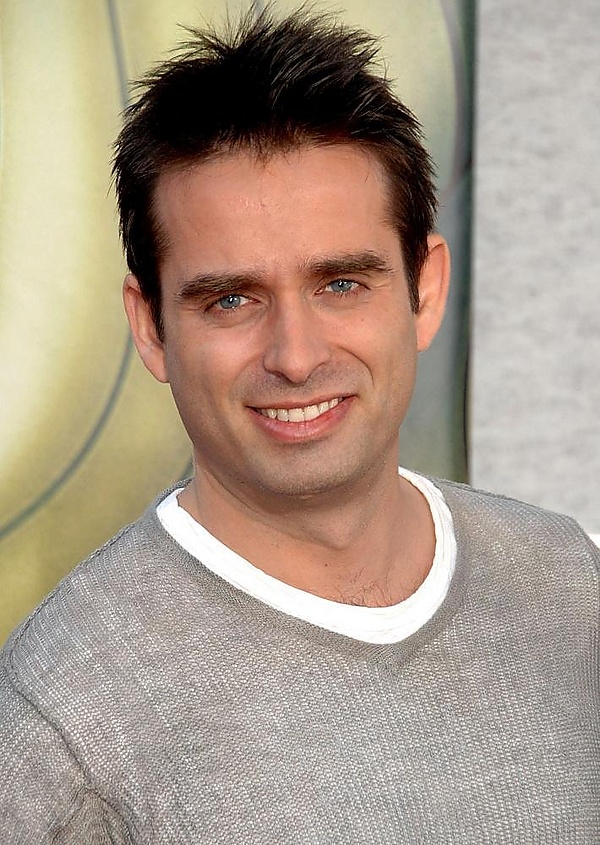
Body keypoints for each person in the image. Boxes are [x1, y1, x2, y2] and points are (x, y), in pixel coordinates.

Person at [1, 8, 598, 843]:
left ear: (424, 290)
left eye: (341, 285)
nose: (295, 355)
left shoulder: (571, 585)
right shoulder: (61, 722)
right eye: (231, 299)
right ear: (151, 327)